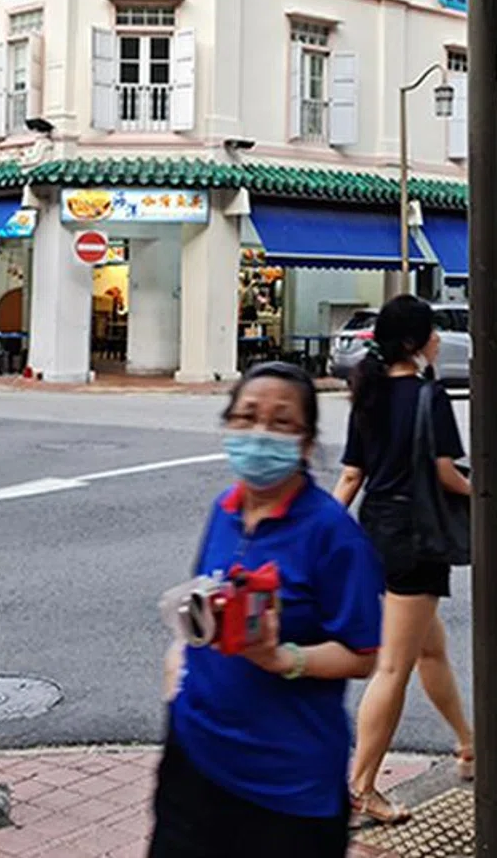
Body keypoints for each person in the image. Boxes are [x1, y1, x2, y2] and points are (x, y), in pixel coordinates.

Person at [151, 362, 382, 857]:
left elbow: (363, 654)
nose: (260, 434)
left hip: (286, 787)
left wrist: (284, 659)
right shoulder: (224, 510)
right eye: (247, 417)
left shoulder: (332, 534)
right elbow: (203, 594)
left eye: (281, 422)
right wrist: (179, 654)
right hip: (194, 756)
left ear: (304, 442)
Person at [334, 294, 474, 826]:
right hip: (418, 537)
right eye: (433, 332)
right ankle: (362, 787)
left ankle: (468, 744)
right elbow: (445, 472)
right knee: (394, 666)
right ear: (417, 344)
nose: (438, 339)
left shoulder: (366, 394)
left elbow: (351, 476)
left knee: (428, 649)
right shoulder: (428, 396)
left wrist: (318, 532)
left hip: (377, 534)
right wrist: (479, 493)